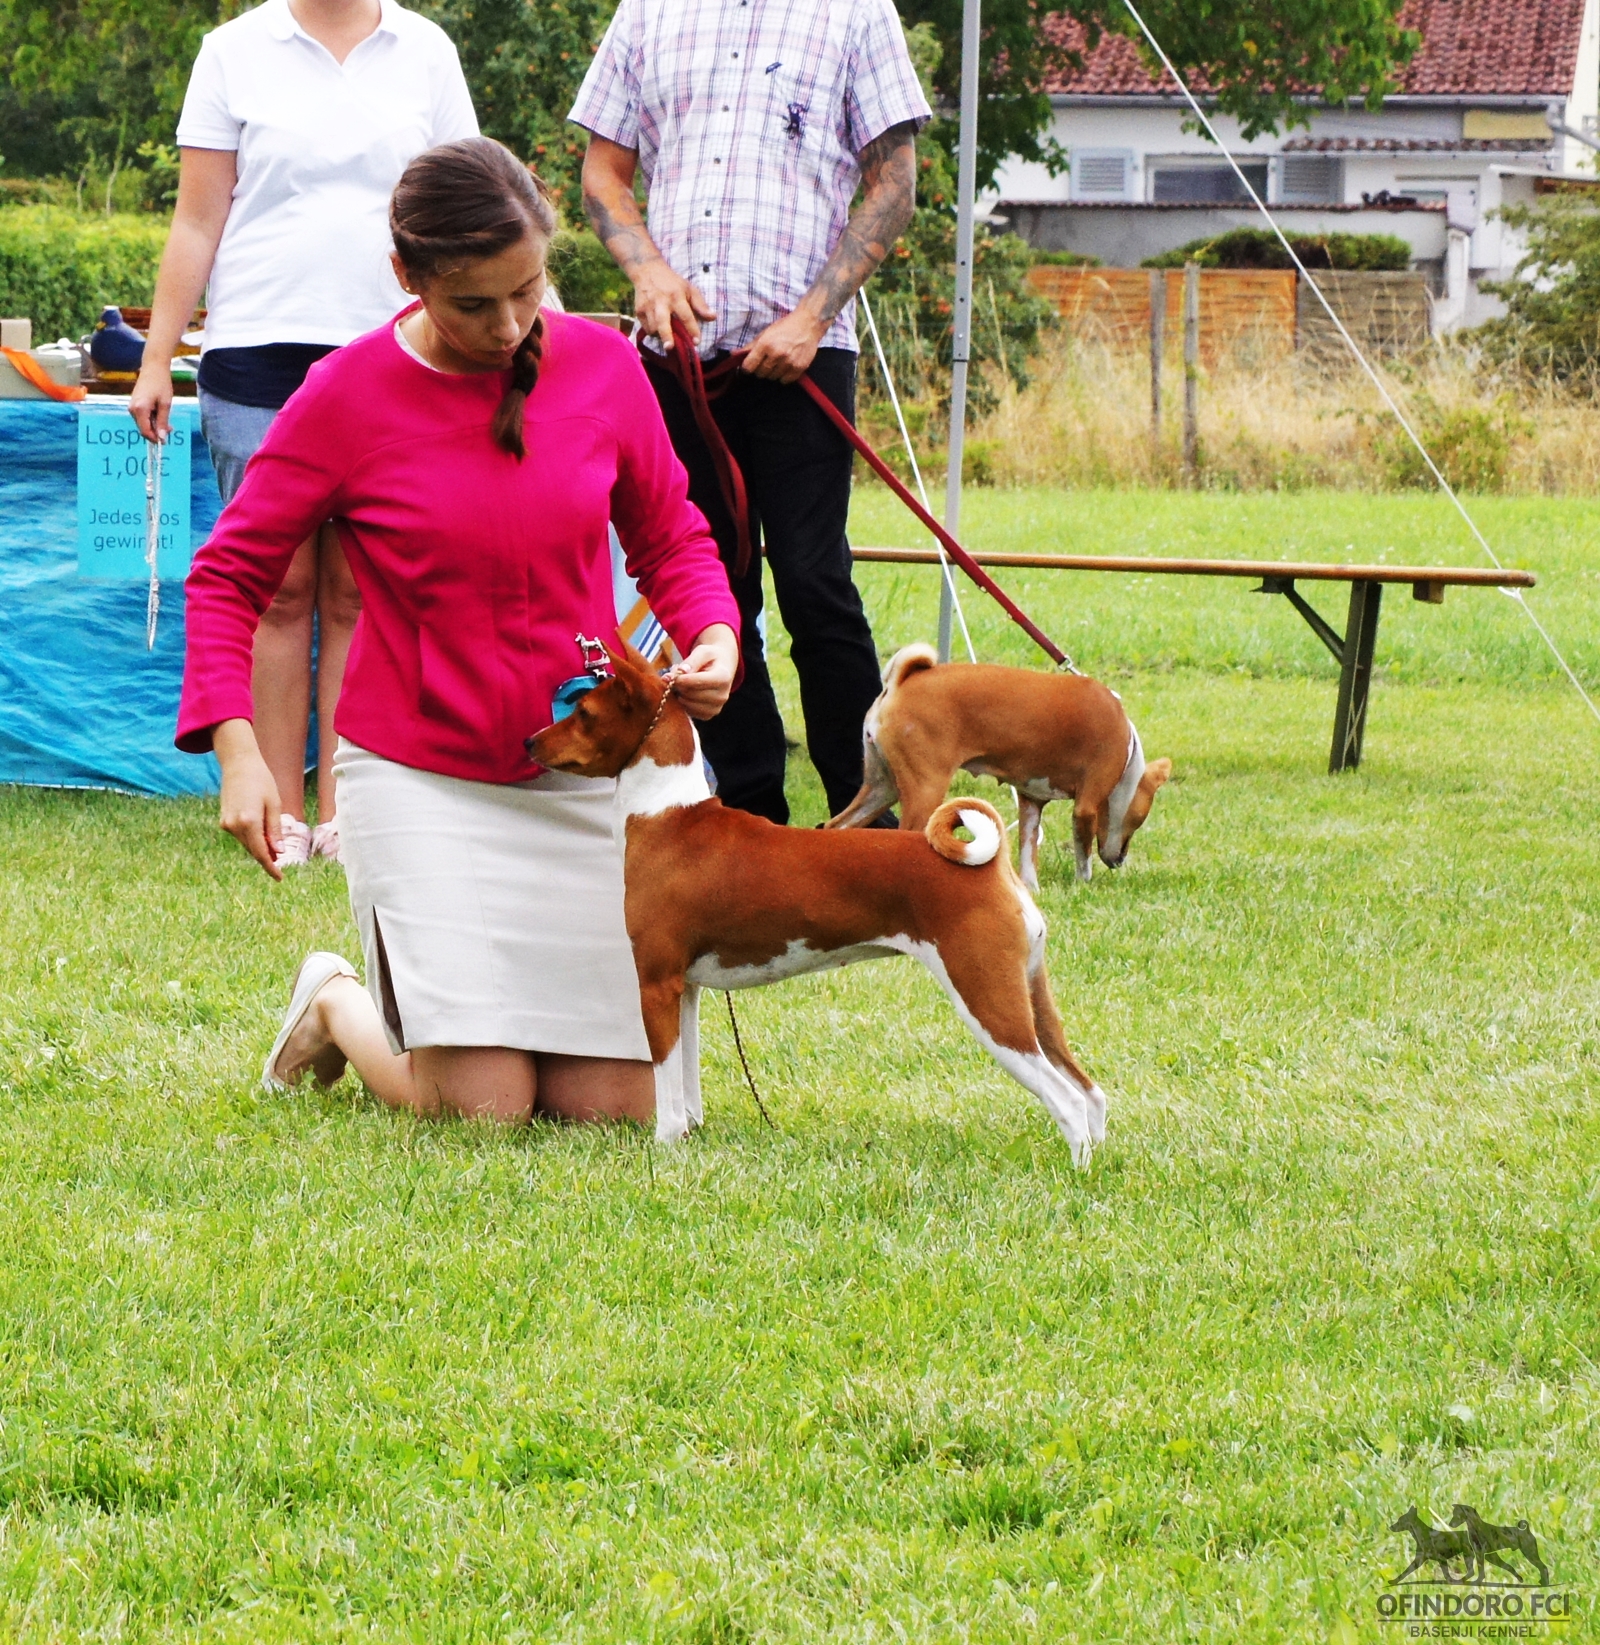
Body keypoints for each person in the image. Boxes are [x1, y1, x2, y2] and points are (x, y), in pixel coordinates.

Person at [176, 138, 741, 1127]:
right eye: (474, 304)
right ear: (407, 277)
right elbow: (229, 576)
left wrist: (715, 632)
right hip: (419, 778)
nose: (509, 325)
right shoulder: (344, 395)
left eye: (527, 290)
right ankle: (333, 999)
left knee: (611, 1110)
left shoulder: (606, 367)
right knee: (481, 1108)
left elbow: (670, 534)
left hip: (580, 769)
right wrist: (238, 750)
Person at [131, 0, 479, 867]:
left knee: (363, 593)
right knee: (276, 591)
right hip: (256, 349)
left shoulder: (426, 49)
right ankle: (279, 810)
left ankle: (348, 811)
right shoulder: (231, 51)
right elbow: (197, 220)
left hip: (395, 352)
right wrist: (156, 358)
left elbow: (469, 208)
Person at [569, 0, 930, 826]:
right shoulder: (645, 12)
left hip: (802, 356)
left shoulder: (856, 13)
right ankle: (750, 814)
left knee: (814, 583)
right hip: (677, 361)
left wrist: (812, 318)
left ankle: (865, 817)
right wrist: (649, 273)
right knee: (709, 593)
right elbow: (603, 173)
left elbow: (895, 183)